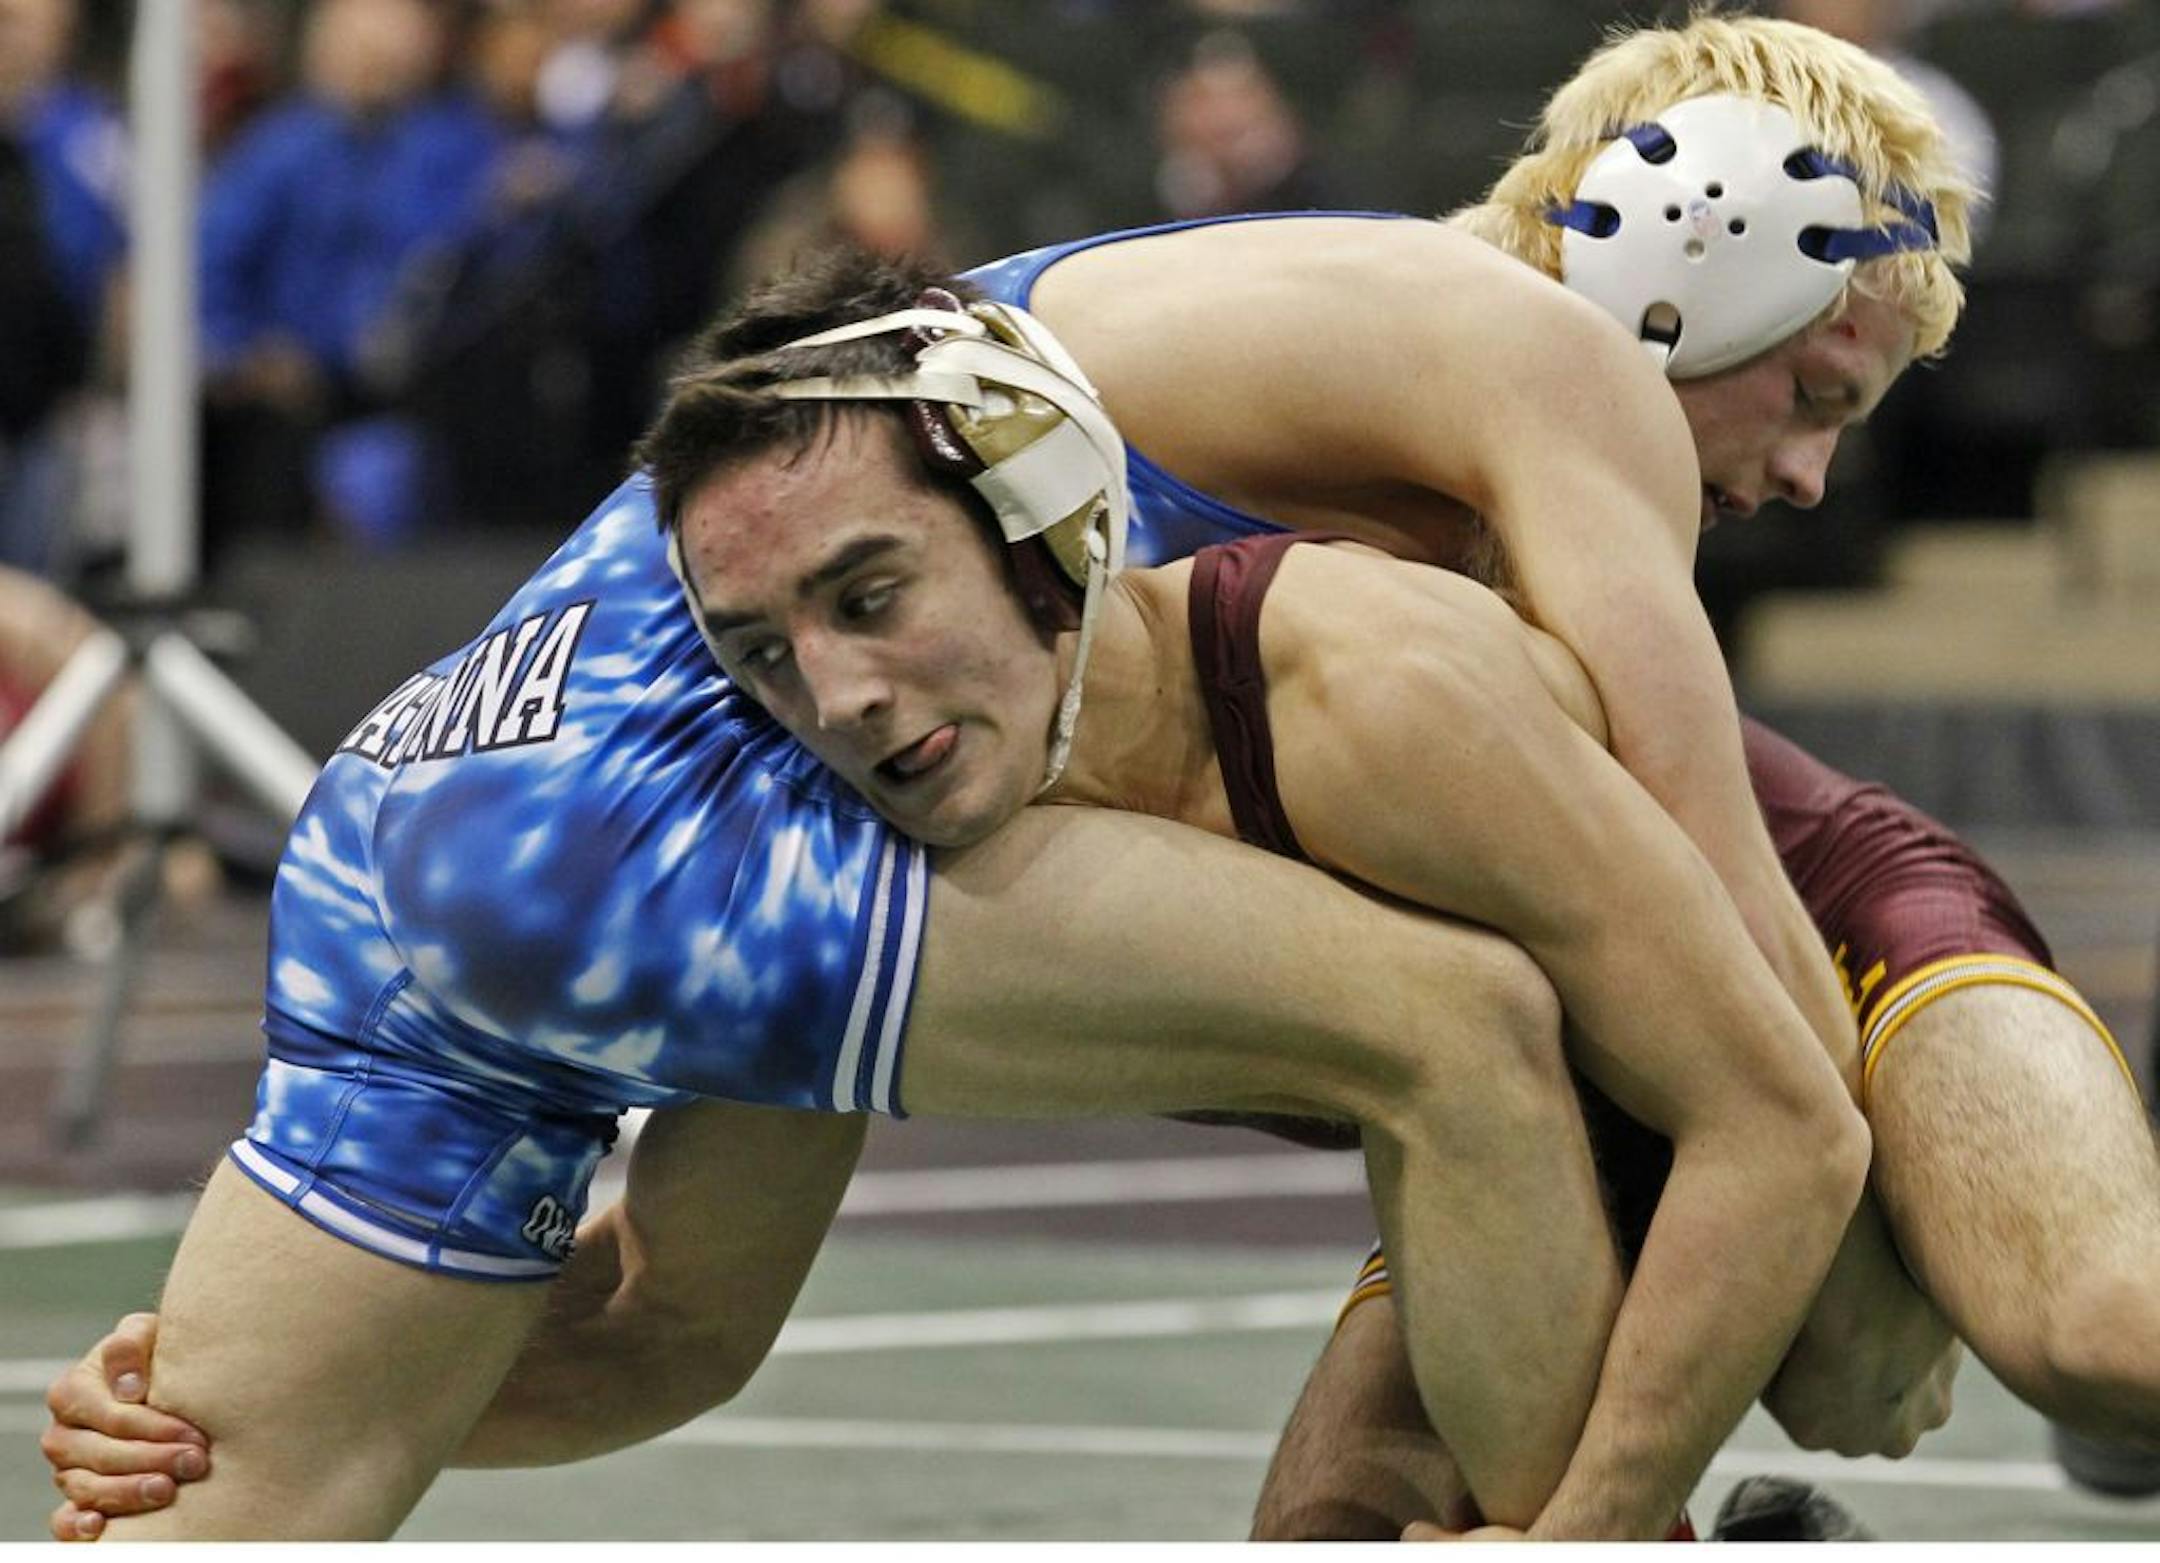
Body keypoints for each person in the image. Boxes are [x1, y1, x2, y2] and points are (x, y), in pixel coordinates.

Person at [42, 11, 1973, 1541]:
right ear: (1705, 248)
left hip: (420, 795)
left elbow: (650, 1337)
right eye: (1817, 391)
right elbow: (1729, 923)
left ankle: (224, 1429)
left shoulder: (1324, 311)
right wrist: (1864, 1303)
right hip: (707, 793)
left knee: (605, 1365)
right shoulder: (1558, 370)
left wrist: (270, 1392)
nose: (1805, 473)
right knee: (1460, 1029)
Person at [1246, 715, 2143, 1540]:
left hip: (1804, 921)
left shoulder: (1297, 661)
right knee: (1334, 1535)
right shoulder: (1141, 886)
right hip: (1538, 1062)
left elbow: (1777, 1064)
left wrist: (1850, 1268)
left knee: (2098, 1330)